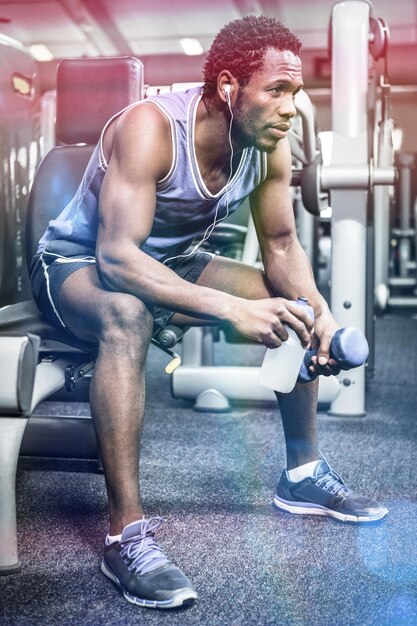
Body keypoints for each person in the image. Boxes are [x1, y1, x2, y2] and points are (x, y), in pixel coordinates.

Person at [30, 15, 388, 610]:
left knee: (290, 305)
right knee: (127, 314)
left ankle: (302, 474)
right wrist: (228, 309)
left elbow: (281, 246)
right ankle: (126, 535)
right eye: (276, 90)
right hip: (76, 266)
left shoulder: (268, 143)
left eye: (294, 92)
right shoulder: (151, 128)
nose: (288, 106)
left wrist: (319, 315)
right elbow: (117, 259)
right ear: (228, 85)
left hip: (170, 262)